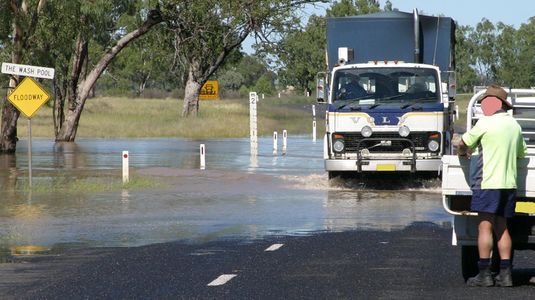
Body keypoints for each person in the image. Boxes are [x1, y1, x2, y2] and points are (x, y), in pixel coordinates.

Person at [457, 84, 527, 287]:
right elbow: (521, 153)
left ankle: (484, 274)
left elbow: (463, 143)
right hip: (508, 184)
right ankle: (506, 275)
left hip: (487, 182)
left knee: (485, 227)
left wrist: (462, 152)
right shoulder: (515, 126)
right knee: (502, 227)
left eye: (484, 102)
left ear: (494, 104)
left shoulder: (485, 123)